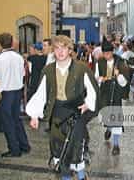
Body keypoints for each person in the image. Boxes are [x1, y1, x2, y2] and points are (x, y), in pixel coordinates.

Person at [27, 35, 98, 180]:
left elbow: (92, 89)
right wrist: (34, 114)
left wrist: (88, 104)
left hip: (75, 112)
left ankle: (81, 176)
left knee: (76, 147)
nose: (60, 51)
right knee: (59, 148)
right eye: (57, 48)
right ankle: (66, 176)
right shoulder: (48, 70)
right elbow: (41, 93)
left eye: (64, 48)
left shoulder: (81, 68)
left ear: (70, 50)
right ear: (53, 51)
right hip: (57, 112)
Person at [0, 33, 30, 157]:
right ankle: (24, 145)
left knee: (8, 122)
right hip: (17, 92)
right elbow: (23, 75)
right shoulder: (18, 57)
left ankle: (14, 150)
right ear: (11, 42)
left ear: (0, 44)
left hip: (6, 94)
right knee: (17, 119)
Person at [95, 37, 130, 155]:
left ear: (112, 52)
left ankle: (116, 145)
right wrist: (101, 79)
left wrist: (118, 74)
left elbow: (124, 82)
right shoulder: (99, 62)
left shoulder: (120, 62)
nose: (107, 56)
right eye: (105, 53)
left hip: (116, 93)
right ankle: (108, 129)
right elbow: (96, 77)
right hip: (105, 92)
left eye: (109, 53)